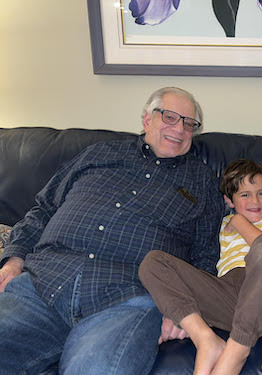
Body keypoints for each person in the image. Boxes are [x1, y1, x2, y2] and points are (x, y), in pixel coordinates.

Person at [0, 87, 226, 375]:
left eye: (189, 123)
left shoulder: (203, 181)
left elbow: (205, 258)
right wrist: (15, 258)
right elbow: (44, 208)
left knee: (96, 368)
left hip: (128, 298)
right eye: (169, 117)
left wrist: (184, 311)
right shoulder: (98, 154)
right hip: (42, 284)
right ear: (146, 119)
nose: (180, 129)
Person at [139, 159, 262, 375]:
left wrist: (239, 222)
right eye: (245, 194)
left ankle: (238, 349)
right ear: (228, 201)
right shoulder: (220, 224)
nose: (255, 200)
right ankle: (206, 339)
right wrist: (176, 312)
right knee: (153, 261)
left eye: (261, 193)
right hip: (228, 297)